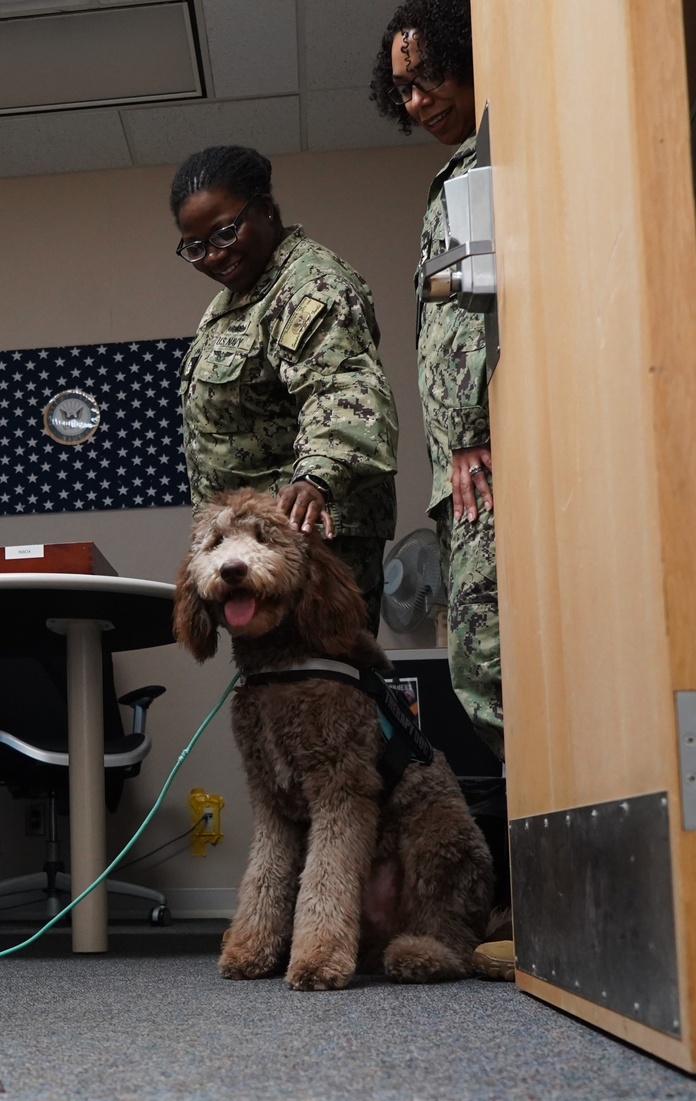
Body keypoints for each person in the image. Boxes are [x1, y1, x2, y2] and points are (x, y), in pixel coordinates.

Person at [371, 0, 511, 981]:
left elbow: (473, 317)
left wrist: (464, 434)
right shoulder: (463, 166)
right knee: (483, 672)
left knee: (493, 667)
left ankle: (544, 898)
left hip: (484, 459)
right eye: (404, 85)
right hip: (467, 463)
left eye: (429, 76)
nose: (418, 98)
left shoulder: (504, 153)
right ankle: (536, 898)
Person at [170, 145, 399, 633]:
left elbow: (341, 389)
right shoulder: (236, 299)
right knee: (278, 692)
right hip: (250, 546)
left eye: (225, 232)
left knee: (322, 686)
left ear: (267, 211)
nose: (214, 255)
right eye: (195, 246)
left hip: (310, 537)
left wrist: (315, 477)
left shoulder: (309, 285)